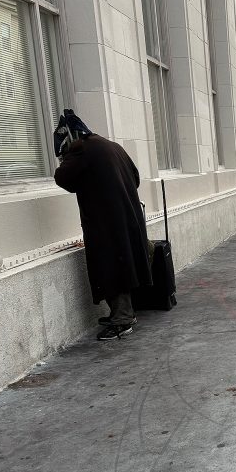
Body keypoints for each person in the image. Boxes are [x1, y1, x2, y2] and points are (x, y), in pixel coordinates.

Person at [53, 110, 151, 341]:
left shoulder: (81, 149)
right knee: (123, 264)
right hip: (127, 216)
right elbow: (135, 178)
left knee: (110, 267)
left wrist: (65, 159)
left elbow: (63, 179)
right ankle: (124, 314)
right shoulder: (112, 146)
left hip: (106, 222)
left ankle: (122, 320)